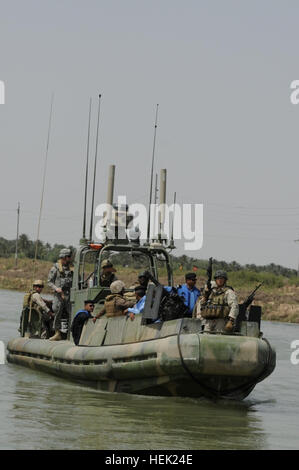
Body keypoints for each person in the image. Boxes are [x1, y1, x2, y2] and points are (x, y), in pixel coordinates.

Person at [47, 248, 74, 341]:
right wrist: (56, 288)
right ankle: (57, 333)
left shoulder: (72, 268)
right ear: (64, 257)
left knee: (71, 313)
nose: (70, 258)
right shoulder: (55, 268)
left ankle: (70, 333)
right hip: (59, 295)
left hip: (69, 294)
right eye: (68, 257)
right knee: (57, 312)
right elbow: (49, 282)